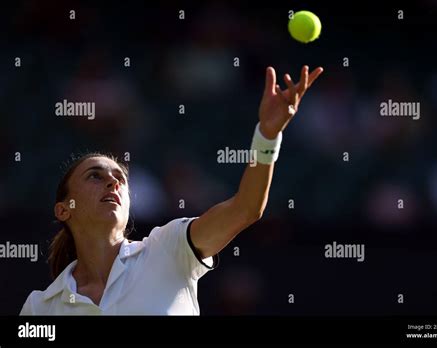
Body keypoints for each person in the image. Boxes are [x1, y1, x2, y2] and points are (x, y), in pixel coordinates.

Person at [20, 65, 324, 315]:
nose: (112, 182)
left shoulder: (168, 247)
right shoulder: (40, 307)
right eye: (94, 176)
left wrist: (267, 136)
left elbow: (246, 209)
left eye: (119, 178)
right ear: (63, 209)